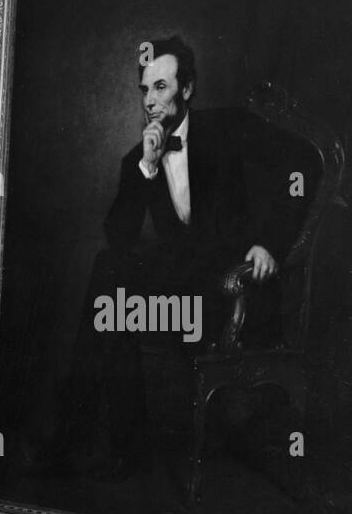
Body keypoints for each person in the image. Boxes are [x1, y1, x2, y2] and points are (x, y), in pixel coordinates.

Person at [57, 36, 304, 483]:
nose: (150, 101)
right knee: (107, 276)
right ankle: (112, 448)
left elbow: (300, 165)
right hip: (183, 298)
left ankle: (86, 441)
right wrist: (148, 168)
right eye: (145, 90)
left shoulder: (229, 128)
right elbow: (118, 238)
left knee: (112, 307)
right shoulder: (139, 158)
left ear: (187, 90)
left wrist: (270, 242)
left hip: (236, 289)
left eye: (162, 88)